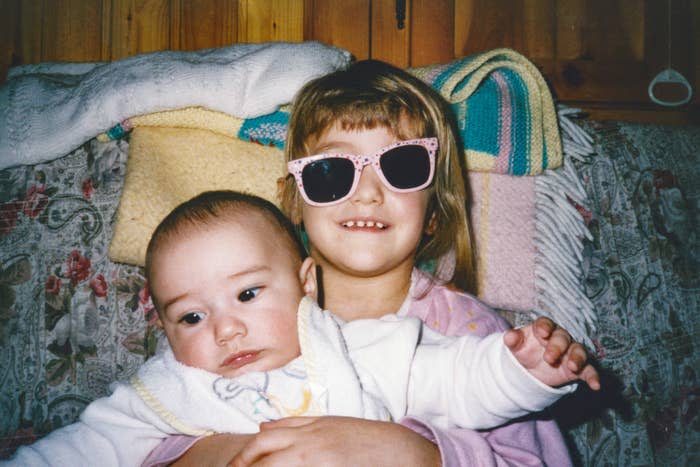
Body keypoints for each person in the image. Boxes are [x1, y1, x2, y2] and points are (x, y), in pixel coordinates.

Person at [149, 59, 600, 467]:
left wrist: (415, 454)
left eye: (402, 166)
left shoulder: (470, 334)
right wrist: (234, 452)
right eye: (332, 170)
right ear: (295, 201)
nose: (368, 192)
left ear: (434, 211)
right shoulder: (230, 313)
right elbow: (149, 422)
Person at [3, 191, 594, 467]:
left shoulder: (354, 345)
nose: (226, 330)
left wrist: (526, 370)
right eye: (191, 316)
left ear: (304, 285)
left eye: (248, 294)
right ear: (163, 325)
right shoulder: (163, 393)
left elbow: (460, 376)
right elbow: (74, 453)